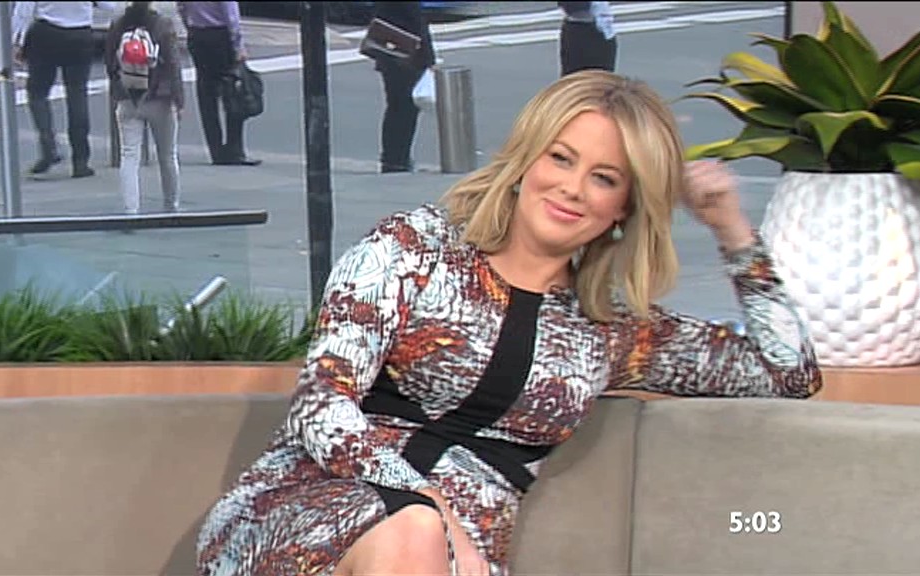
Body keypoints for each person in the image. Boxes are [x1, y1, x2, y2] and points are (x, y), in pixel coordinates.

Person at [196, 71, 823, 576]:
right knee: (412, 532)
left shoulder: (610, 329)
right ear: (527, 159)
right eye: (562, 158)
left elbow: (787, 373)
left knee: (416, 538)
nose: (572, 188)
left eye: (603, 178)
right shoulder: (413, 250)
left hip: (451, 557)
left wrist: (731, 229)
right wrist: (431, 508)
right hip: (301, 521)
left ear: (623, 208)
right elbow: (320, 406)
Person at [12, 0, 117, 178]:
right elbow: (110, 6)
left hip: (46, 33)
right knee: (77, 94)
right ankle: (81, 160)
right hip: (80, 34)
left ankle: (49, 147)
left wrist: (17, 41)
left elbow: (24, 10)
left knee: (38, 93)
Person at [106, 1, 184, 214]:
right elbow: (173, 65)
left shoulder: (118, 24)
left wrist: (119, 89)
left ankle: (131, 210)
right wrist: (179, 100)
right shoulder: (163, 25)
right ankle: (171, 206)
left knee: (129, 155)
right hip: (159, 97)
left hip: (128, 98)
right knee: (168, 156)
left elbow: (110, 62)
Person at [177, 1, 260, 166]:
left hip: (198, 34)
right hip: (220, 35)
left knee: (206, 93)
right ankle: (234, 149)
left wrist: (190, 27)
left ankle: (215, 149)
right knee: (233, 89)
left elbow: (181, 7)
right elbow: (231, 15)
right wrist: (238, 45)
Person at [371, 1, 436, 173]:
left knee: (396, 107)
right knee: (405, 108)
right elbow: (416, 21)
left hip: (390, 49)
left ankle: (393, 158)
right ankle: (397, 158)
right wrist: (429, 58)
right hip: (406, 52)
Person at [558, 1, 617, 76]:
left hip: (604, 29)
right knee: (578, 77)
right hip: (581, 28)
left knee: (604, 77)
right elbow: (573, 7)